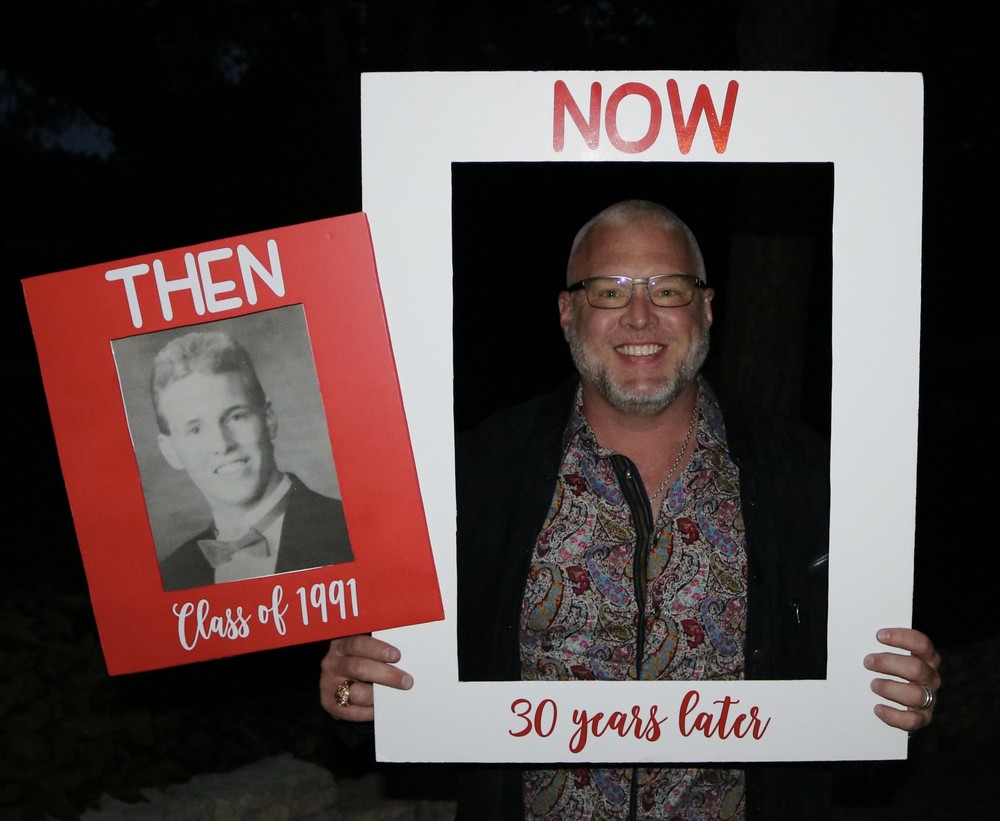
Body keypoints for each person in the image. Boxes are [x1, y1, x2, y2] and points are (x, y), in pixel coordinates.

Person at [318, 200, 941, 819]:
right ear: (567, 313)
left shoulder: (809, 478)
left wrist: (903, 692)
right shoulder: (476, 475)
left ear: (705, 308)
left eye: (667, 290)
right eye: (610, 293)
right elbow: (396, 677)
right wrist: (355, 689)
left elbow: (854, 701)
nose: (640, 317)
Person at [153, 330, 353, 591]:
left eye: (235, 416)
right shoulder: (172, 575)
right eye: (195, 429)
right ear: (171, 451)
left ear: (269, 420)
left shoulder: (348, 531)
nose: (222, 444)